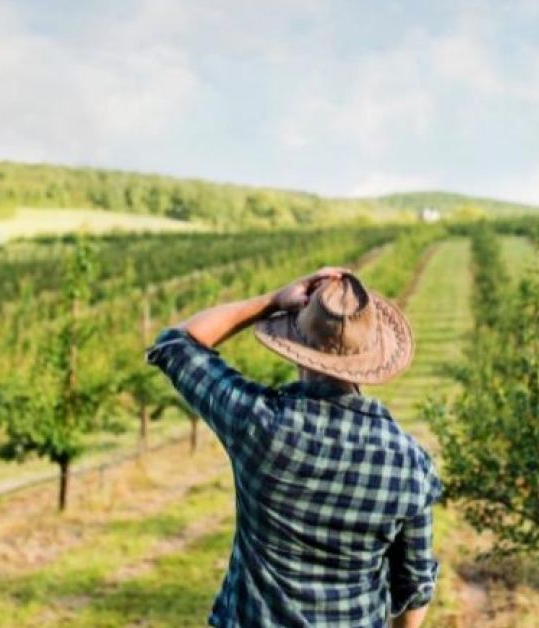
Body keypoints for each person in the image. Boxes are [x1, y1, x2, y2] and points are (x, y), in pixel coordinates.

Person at [147, 267, 440, 627]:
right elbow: (416, 584)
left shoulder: (256, 423)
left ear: (295, 345)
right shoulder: (410, 465)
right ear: (372, 357)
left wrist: (270, 301)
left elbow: (175, 343)